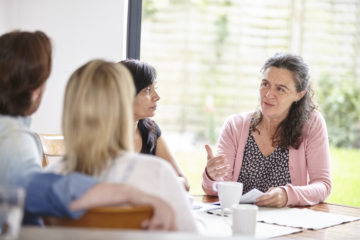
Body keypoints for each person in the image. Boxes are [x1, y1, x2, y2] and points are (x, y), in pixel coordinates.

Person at [0, 30, 175, 230]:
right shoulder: (14, 140)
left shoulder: (53, 167)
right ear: (35, 91)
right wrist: (129, 193)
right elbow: (36, 192)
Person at [46, 59, 198, 232]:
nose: (156, 96)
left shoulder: (49, 181)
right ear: (123, 102)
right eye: (146, 90)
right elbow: (191, 234)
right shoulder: (158, 174)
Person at [202, 53, 331, 207]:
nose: (269, 94)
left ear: (299, 94)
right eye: (265, 84)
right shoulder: (234, 126)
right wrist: (211, 176)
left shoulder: (311, 124)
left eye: (280, 89)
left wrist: (287, 195)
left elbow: (322, 185)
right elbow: (216, 190)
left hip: (287, 223)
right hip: (241, 219)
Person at [120, 59, 190, 191]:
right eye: (147, 90)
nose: (157, 96)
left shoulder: (149, 129)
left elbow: (184, 182)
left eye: (155, 88)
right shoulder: (100, 135)